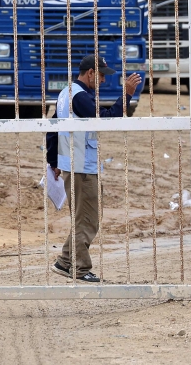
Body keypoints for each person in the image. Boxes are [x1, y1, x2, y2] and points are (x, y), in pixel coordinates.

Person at [46, 55, 141, 283]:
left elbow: (52, 129)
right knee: (87, 220)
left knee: (82, 217)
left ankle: (65, 261)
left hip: (73, 164)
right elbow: (107, 119)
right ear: (90, 73)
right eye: (100, 76)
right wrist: (126, 94)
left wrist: (54, 162)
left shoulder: (65, 93)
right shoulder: (79, 96)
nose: (102, 81)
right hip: (81, 167)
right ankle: (79, 268)